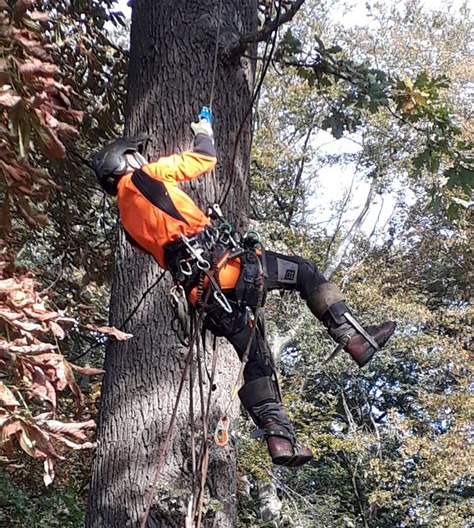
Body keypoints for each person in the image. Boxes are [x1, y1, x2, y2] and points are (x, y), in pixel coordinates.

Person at [90, 110, 395, 468]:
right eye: (135, 155)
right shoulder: (145, 177)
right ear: (126, 162)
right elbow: (205, 159)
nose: (141, 158)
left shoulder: (127, 221)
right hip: (228, 271)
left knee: (256, 356)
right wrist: (205, 131)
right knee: (303, 272)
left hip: (204, 297)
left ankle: (279, 438)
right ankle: (356, 338)